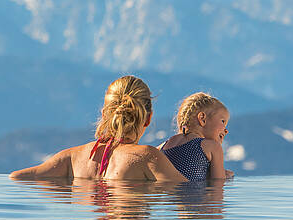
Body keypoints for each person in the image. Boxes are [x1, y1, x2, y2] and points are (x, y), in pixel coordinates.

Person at [10, 75, 187, 182]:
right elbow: (189, 195)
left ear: (104, 114)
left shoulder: (72, 158)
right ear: (148, 118)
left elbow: (16, 177)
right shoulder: (148, 157)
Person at [158, 92, 235, 184]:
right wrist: (225, 177)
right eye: (223, 121)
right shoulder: (212, 147)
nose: (226, 130)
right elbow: (217, 188)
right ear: (202, 119)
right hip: (194, 197)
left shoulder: (161, 148)